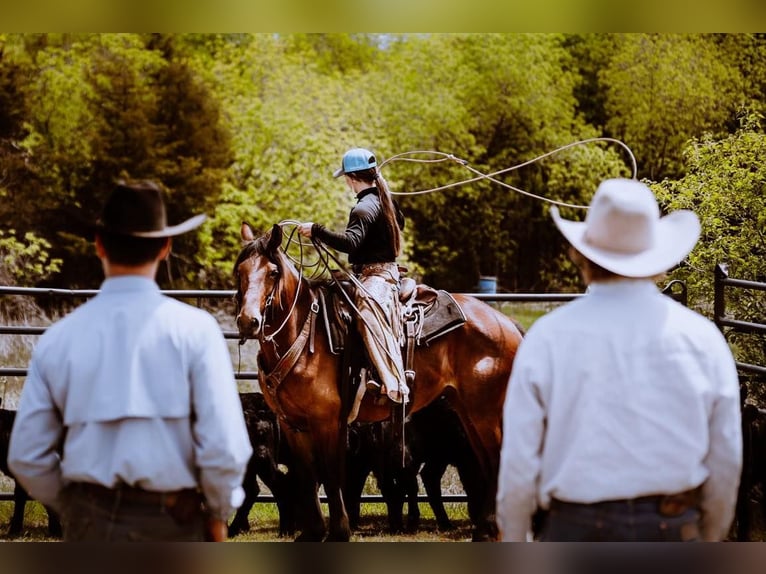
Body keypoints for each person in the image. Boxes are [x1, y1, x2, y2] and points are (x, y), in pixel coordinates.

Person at [496, 178, 742, 542]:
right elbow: (726, 457)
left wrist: (516, 540)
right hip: (672, 528)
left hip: (575, 529)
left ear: (581, 255)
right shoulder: (701, 338)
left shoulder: (548, 336)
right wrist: (711, 535)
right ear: (655, 256)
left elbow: (519, 461)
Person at [8, 180, 252, 542]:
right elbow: (225, 448)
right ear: (166, 247)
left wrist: (73, 506)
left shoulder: (58, 338)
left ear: (99, 244)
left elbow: (26, 456)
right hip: (174, 519)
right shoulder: (197, 331)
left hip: (90, 525)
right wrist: (217, 510)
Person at [298, 147, 408, 404]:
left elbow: (351, 244)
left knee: (367, 311)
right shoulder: (386, 201)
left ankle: (391, 381)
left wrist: (317, 230)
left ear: (350, 178)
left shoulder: (363, 208)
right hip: (379, 271)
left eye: (346, 178)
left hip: (377, 276)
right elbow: (399, 223)